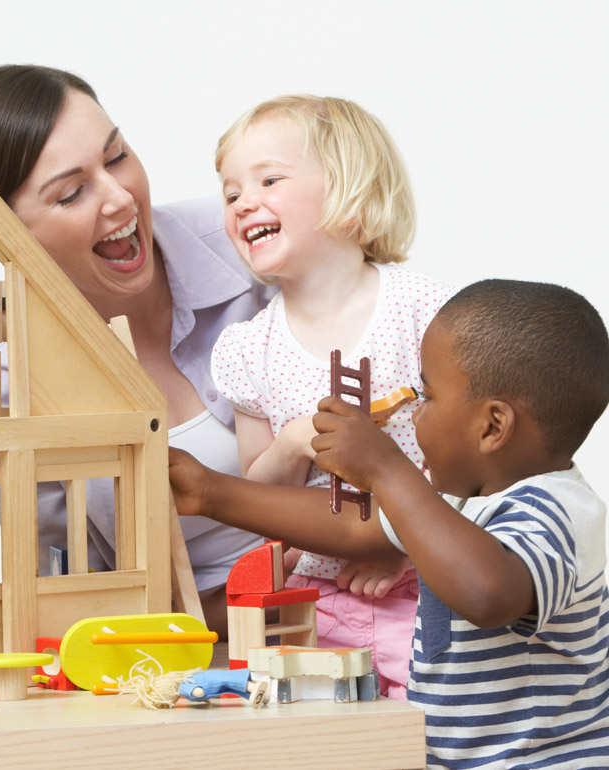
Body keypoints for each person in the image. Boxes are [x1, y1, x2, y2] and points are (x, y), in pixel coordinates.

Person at [171, 279, 609, 768]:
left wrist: (388, 469)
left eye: (428, 395)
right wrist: (212, 492)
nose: (416, 410)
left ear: (491, 427)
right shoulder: (455, 502)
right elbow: (354, 529)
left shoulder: (559, 509)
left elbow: (488, 594)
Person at [0, 65, 275, 633]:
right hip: (202, 660)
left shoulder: (253, 236)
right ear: (2, 231)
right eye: (71, 193)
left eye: (117, 156)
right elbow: (75, 598)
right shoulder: (10, 387)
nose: (120, 198)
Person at [210, 94, 451, 697]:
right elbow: (259, 499)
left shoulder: (423, 311)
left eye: (268, 179)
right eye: (231, 191)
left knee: (436, 729)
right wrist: (292, 445)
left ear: (349, 191)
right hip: (317, 603)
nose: (244, 202)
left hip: (430, 581)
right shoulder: (247, 350)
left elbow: (473, 464)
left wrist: (398, 547)